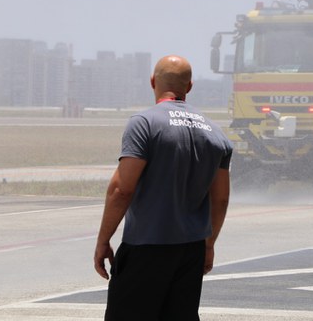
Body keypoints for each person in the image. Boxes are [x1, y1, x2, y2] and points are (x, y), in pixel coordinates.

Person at [94, 55, 232, 321]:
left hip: (146, 247)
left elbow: (121, 189)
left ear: (152, 82)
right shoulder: (216, 134)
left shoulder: (144, 123)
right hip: (190, 250)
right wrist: (209, 245)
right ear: (189, 87)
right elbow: (221, 199)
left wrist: (103, 241)